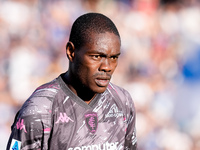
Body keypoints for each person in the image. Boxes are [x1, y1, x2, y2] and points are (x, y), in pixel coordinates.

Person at [7, 13, 137, 150]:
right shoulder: (39, 110)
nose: (107, 67)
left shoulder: (122, 101)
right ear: (71, 52)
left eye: (114, 58)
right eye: (97, 56)